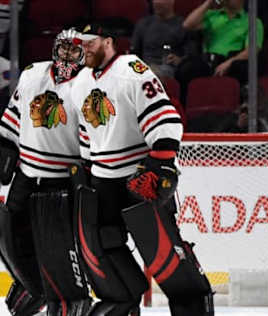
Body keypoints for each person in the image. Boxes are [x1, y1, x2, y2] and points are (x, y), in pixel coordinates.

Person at [71, 22, 214, 316]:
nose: (83, 48)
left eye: (90, 42)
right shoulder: (80, 83)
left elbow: (166, 122)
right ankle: (122, 307)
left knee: (166, 257)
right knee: (104, 251)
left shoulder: (131, 70)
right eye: (80, 43)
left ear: (108, 42)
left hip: (138, 176)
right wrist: (84, 173)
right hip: (102, 180)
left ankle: (193, 308)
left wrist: (161, 166)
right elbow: (86, 135)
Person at [0, 29, 92, 316]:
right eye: (62, 49)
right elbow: (14, 114)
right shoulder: (32, 74)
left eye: (72, 50)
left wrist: (90, 171)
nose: (65, 55)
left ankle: (70, 296)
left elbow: (96, 136)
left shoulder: (90, 85)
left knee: (62, 246)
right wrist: (2, 146)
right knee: (12, 233)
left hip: (63, 179)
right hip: (26, 174)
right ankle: (32, 285)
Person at [182, 0, 264, 84]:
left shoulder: (252, 21)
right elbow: (187, 25)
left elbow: (252, 50)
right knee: (188, 68)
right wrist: (209, 3)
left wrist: (229, 63)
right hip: (208, 62)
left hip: (233, 61)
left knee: (242, 68)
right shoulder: (212, 15)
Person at [131, 0, 199, 79]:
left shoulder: (183, 25)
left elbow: (191, 55)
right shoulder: (143, 23)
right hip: (145, 66)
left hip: (169, 67)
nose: (157, 2)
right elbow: (134, 52)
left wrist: (180, 60)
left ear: (172, 2)